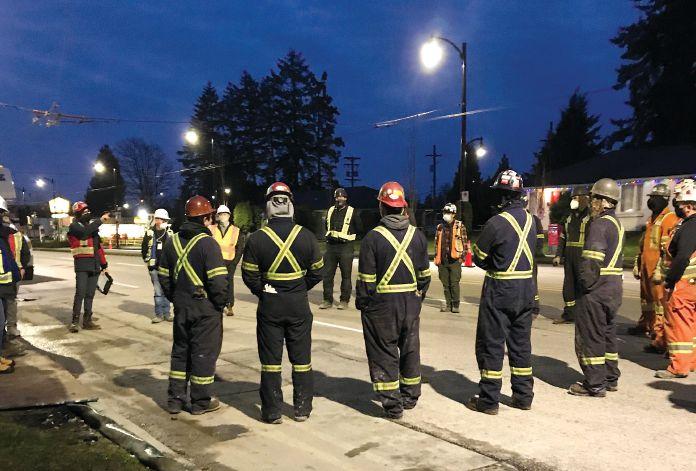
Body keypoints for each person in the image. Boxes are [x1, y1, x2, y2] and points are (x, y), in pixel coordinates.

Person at [242, 182, 324, 423]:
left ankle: (272, 411)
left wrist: (266, 291)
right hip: (298, 306)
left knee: (270, 362)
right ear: (291, 205)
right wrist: (298, 288)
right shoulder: (307, 236)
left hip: (270, 308)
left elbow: (249, 275)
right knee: (302, 360)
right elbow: (317, 271)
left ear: (268, 206)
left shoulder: (257, 239)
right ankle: (302, 409)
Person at [356, 181, 431, 419]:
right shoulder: (418, 236)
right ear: (403, 207)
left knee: (384, 351)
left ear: (382, 207)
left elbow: (366, 281)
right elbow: (425, 277)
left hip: (382, 307)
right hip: (411, 303)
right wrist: (417, 299)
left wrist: (364, 304)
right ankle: (410, 396)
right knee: (410, 348)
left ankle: (392, 404)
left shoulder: (372, 238)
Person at [468, 170, 536, 414]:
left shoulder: (496, 223)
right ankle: (523, 396)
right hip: (526, 290)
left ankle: (489, 400)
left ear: (504, 196)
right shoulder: (532, 222)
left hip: (500, 291)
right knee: (521, 346)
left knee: (492, 345)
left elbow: (479, 256)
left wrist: (495, 265)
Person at [158, 195, 228, 415]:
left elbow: (163, 276)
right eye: (210, 217)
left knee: (180, 352)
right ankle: (200, 402)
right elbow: (218, 282)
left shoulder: (172, 242)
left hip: (182, 308)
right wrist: (219, 304)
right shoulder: (208, 243)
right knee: (203, 355)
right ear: (205, 219)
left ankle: (175, 400)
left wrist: (176, 298)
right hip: (205, 310)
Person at [569, 178, 624, 397]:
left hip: (597, 290)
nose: (591, 203)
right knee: (608, 334)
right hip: (613, 288)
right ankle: (610, 378)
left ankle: (594, 384)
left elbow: (592, 261)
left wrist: (585, 285)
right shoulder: (616, 223)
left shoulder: (600, 224)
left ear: (602, 200)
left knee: (591, 336)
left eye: (593, 198)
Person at [629, 184, 679, 355]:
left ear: (664, 200)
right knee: (646, 301)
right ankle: (645, 325)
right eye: (651, 197)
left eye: (655, 198)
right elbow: (643, 244)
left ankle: (660, 340)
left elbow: (667, 249)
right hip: (646, 268)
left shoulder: (669, 219)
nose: (651, 201)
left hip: (657, 271)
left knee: (660, 306)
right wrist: (637, 263)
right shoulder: (652, 219)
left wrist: (660, 269)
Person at [655, 180, 696, 379]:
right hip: (692, 284)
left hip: (684, 285)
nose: (676, 207)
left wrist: (669, 281)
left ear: (688, 205)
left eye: (678, 203)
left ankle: (678, 367)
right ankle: (690, 361)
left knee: (680, 325)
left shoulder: (690, 226)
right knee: (692, 325)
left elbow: (682, 257)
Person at [67, 202, 109, 333]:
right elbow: (84, 233)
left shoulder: (92, 228)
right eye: (84, 212)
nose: (87, 213)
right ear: (78, 214)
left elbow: (98, 248)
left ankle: (87, 321)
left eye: (88, 211)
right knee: (80, 293)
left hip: (95, 266)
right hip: (82, 266)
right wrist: (100, 220)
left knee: (90, 294)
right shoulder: (74, 226)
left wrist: (104, 265)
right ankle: (74, 322)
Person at [553, 187, 591, 324]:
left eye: (575, 198)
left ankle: (583, 315)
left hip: (583, 257)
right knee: (568, 285)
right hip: (569, 257)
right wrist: (558, 255)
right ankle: (569, 314)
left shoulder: (590, 217)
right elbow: (563, 237)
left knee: (583, 285)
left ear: (583, 199)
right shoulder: (569, 217)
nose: (573, 201)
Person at [321, 188, 361, 310]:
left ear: (346, 198)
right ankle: (327, 300)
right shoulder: (330, 210)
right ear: (335, 198)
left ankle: (344, 300)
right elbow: (327, 226)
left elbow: (359, 228)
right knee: (327, 275)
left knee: (346, 276)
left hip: (346, 247)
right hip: (331, 246)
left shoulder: (352, 211)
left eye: (342, 197)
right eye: (337, 197)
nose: (339, 199)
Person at [0, 197, 24, 372]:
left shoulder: (3, 235)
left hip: (4, 284)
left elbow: (7, 258)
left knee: (1, 321)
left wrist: (16, 274)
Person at [1, 200, 30, 343]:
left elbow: (25, 253)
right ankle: (11, 328)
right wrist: (23, 268)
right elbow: (26, 253)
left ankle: (6, 330)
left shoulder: (11, 233)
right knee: (11, 301)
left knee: (7, 302)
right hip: (14, 273)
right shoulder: (16, 233)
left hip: (11, 272)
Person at [211, 205, 244, 317]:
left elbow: (240, 248)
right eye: (221, 214)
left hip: (230, 262)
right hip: (215, 261)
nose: (223, 216)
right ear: (218, 216)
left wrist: (235, 262)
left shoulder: (236, 230)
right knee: (216, 283)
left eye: (225, 214)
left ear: (229, 216)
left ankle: (229, 305)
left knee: (229, 283)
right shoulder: (212, 229)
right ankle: (218, 304)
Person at [141, 209, 173, 323]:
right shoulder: (150, 233)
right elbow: (144, 248)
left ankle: (167, 313)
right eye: (160, 219)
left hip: (167, 268)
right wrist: (147, 261)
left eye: (164, 220)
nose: (162, 221)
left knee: (167, 290)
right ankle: (159, 314)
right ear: (156, 220)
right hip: (154, 267)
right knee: (158, 292)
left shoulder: (169, 233)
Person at [434, 203, 467, 313]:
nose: (446, 214)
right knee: (445, 284)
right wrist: (437, 258)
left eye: (448, 212)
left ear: (454, 214)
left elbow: (465, 244)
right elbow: (436, 244)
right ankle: (448, 305)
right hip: (443, 260)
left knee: (454, 283)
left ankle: (455, 305)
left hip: (455, 260)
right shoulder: (439, 227)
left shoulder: (460, 226)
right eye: (445, 212)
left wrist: (462, 258)